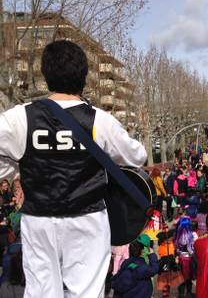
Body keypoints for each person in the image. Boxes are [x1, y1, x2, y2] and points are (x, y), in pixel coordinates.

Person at [0, 40, 148, 297]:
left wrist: (15, 172)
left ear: (46, 75)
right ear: (84, 77)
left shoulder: (18, 118)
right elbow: (138, 156)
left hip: (39, 219)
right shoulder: (100, 121)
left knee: (41, 291)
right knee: (86, 292)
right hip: (87, 220)